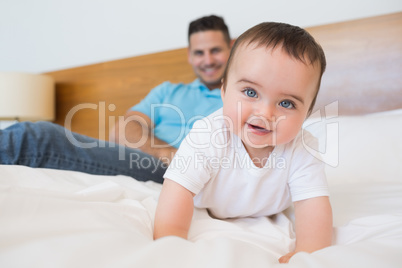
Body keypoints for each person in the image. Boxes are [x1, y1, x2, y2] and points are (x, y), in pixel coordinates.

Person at [153, 22, 333, 264]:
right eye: (250, 92)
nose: (264, 113)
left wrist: (308, 252)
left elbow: (313, 204)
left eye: (287, 103)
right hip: (208, 204)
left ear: (307, 113)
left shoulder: (302, 147)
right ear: (224, 90)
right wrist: (171, 242)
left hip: (268, 209)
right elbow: (178, 189)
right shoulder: (209, 133)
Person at [0, 15, 232, 184]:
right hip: (155, 161)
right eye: (199, 53)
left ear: (231, 48)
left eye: (215, 50)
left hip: (183, 175)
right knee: (33, 136)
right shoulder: (168, 91)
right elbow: (122, 130)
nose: (208, 60)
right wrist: (168, 154)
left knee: (36, 138)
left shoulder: (243, 98)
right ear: (189, 56)